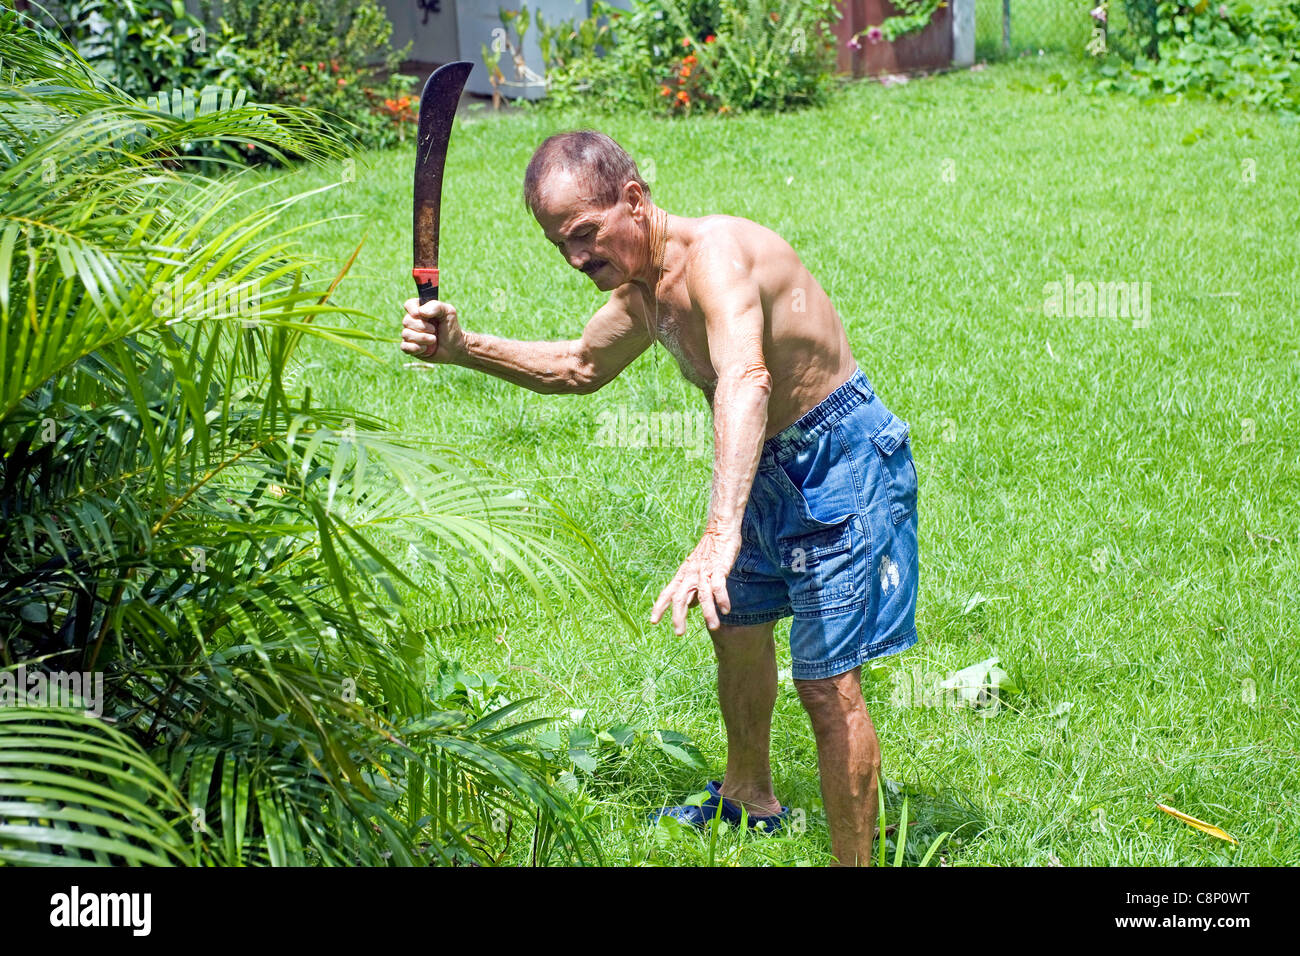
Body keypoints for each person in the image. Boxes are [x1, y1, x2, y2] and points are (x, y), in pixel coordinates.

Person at [400, 129, 919, 866]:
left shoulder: (717, 258)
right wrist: (463, 346)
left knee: (828, 685)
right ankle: (750, 799)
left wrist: (718, 532)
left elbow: (746, 379)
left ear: (634, 201)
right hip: (761, 464)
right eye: (562, 246)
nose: (578, 259)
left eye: (585, 234)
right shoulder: (642, 292)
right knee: (734, 629)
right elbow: (579, 365)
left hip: (838, 461)